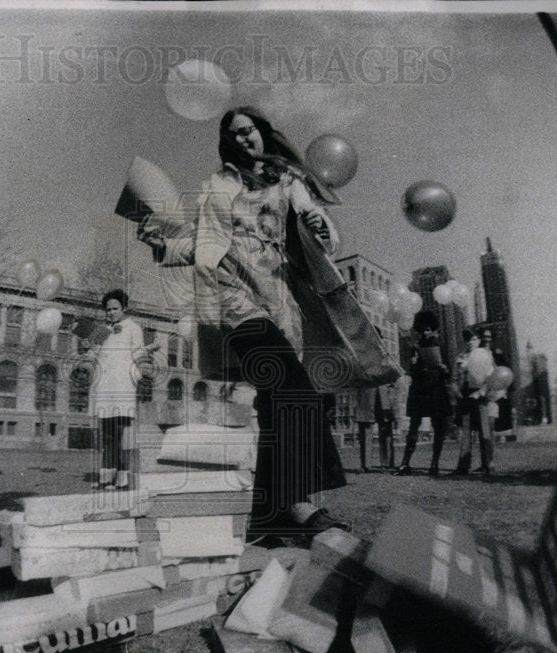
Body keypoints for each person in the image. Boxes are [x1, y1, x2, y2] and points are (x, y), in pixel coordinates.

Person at [137, 106, 359, 540]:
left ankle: (267, 517)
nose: (243, 139)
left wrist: (319, 224)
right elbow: (202, 243)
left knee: (278, 401)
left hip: (280, 302)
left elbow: (323, 234)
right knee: (290, 389)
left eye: (248, 131)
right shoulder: (217, 186)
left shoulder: (290, 182)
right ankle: (297, 507)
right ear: (228, 144)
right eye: (234, 135)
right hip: (232, 300)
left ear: (262, 133)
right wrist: (161, 243)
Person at [86, 289, 159, 490]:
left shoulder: (133, 328)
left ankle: (123, 479)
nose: (111, 312)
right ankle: (106, 477)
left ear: (124, 308)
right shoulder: (100, 329)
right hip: (104, 387)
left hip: (122, 385)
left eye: (115, 308)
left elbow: (137, 354)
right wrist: (88, 348)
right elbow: (93, 354)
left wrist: (149, 351)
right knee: (107, 434)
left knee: (120, 433)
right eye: (108, 309)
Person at [395, 310, 451, 476]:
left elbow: (449, 373)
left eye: (428, 329)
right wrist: (413, 364)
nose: (426, 333)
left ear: (433, 329)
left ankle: (434, 464)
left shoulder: (440, 346)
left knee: (438, 427)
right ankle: (405, 463)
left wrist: (444, 368)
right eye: (423, 330)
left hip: (436, 389)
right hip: (420, 390)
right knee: (413, 426)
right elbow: (412, 372)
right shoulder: (416, 347)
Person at [451, 327, 494, 475]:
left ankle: (487, 464)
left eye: (474, 339)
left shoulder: (486, 355)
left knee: (484, 429)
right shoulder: (460, 357)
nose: (471, 342)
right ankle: (463, 464)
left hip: (480, 395)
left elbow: (491, 377)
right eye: (468, 339)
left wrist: (481, 392)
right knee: (465, 430)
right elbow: (454, 378)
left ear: (479, 340)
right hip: (464, 395)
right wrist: (457, 392)